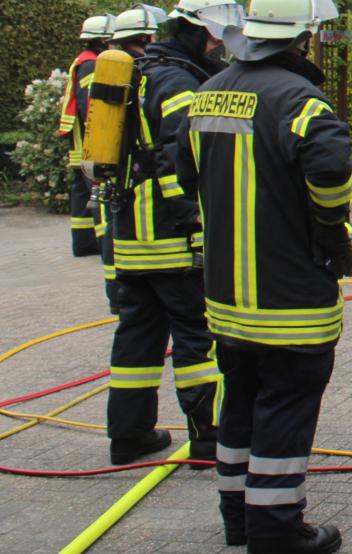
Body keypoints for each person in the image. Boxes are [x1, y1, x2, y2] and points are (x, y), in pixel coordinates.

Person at [176, 0, 351, 551]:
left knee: (243, 397)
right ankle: (275, 531)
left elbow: (185, 176)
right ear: (301, 38)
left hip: (225, 298)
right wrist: (330, 229)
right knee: (286, 402)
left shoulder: (207, 92)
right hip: (290, 296)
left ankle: (239, 518)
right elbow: (330, 173)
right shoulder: (301, 100)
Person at [104, 0, 241, 467]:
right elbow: (177, 162)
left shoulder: (141, 72)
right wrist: (197, 226)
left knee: (136, 340)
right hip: (170, 238)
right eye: (216, 38)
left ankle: (129, 437)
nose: (219, 48)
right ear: (200, 33)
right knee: (195, 337)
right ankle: (209, 437)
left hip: (130, 237)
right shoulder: (177, 81)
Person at [59, 15, 114, 257]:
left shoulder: (83, 60)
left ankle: (83, 243)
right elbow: (90, 104)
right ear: (102, 40)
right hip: (87, 140)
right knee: (96, 188)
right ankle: (104, 244)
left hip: (78, 138)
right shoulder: (91, 64)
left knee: (82, 192)